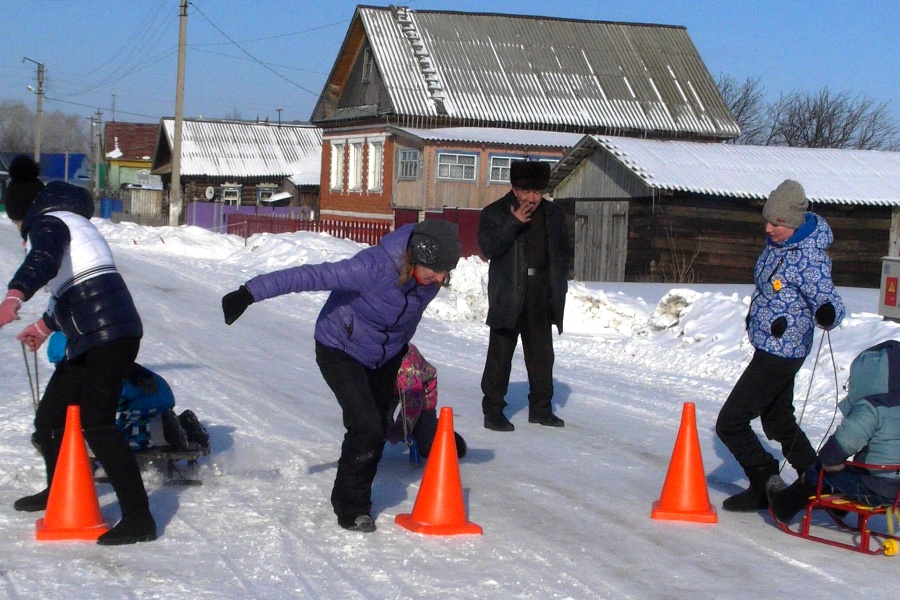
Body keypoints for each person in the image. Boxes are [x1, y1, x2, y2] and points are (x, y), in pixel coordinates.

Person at [221, 219, 461, 533]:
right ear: (417, 256)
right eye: (435, 271)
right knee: (365, 425)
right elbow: (311, 275)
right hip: (340, 348)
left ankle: (390, 462)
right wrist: (248, 293)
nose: (439, 279)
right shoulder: (373, 267)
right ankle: (352, 507)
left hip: (384, 355)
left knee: (375, 427)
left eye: (445, 273)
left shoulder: (429, 278)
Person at [0, 155, 156, 545]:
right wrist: (41, 325)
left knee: (98, 423)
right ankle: (57, 492)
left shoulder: (47, 222)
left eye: (16, 223)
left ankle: (140, 519)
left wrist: (14, 297)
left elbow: (44, 261)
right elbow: (72, 285)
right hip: (94, 333)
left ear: (23, 214)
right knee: (50, 417)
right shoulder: (72, 221)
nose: (19, 231)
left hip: (108, 335)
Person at [715, 179, 845, 512]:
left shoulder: (809, 258)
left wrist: (827, 311)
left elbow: (828, 298)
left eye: (778, 223)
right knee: (778, 421)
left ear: (794, 223)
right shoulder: (777, 245)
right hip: (771, 344)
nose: (769, 228)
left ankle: (764, 481)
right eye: (768, 220)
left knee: (731, 422)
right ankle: (818, 480)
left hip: (782, 352)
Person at [477, 160, 569, 432]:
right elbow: (488, 249)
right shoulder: (495, 212)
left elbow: (562, 253)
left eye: (538, 193)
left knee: (542, 355)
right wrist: (512, 222)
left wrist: (558, 286)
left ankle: (541, 409)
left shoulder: (553, 214)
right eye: (526, 192)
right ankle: (493, 411)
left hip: (541, 291)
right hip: (508, 291)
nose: (532, 198)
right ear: (514, 189)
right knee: (500, 355)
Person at [767, 340, 900, 523]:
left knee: (821, 469)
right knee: (852, 469)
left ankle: (783, 505)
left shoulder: (871, 408)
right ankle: (834, 503)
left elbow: (841, 445)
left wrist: (828, 458)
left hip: (878, 490)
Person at [45, 331, 209, 453]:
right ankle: (182, 425)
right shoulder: (107, 358)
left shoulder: (100, 369)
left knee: (114, 434)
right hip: (153, 401)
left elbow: (117, 393)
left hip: (145, 403)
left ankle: (163, 431)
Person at [387, 342, 466, 459]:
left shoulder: (407, 359)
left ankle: (436, 429)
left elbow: (413, 397)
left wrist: (401, 426)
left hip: (423, 390)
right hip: (387, 390)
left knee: (426, 448)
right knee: (375, 428)